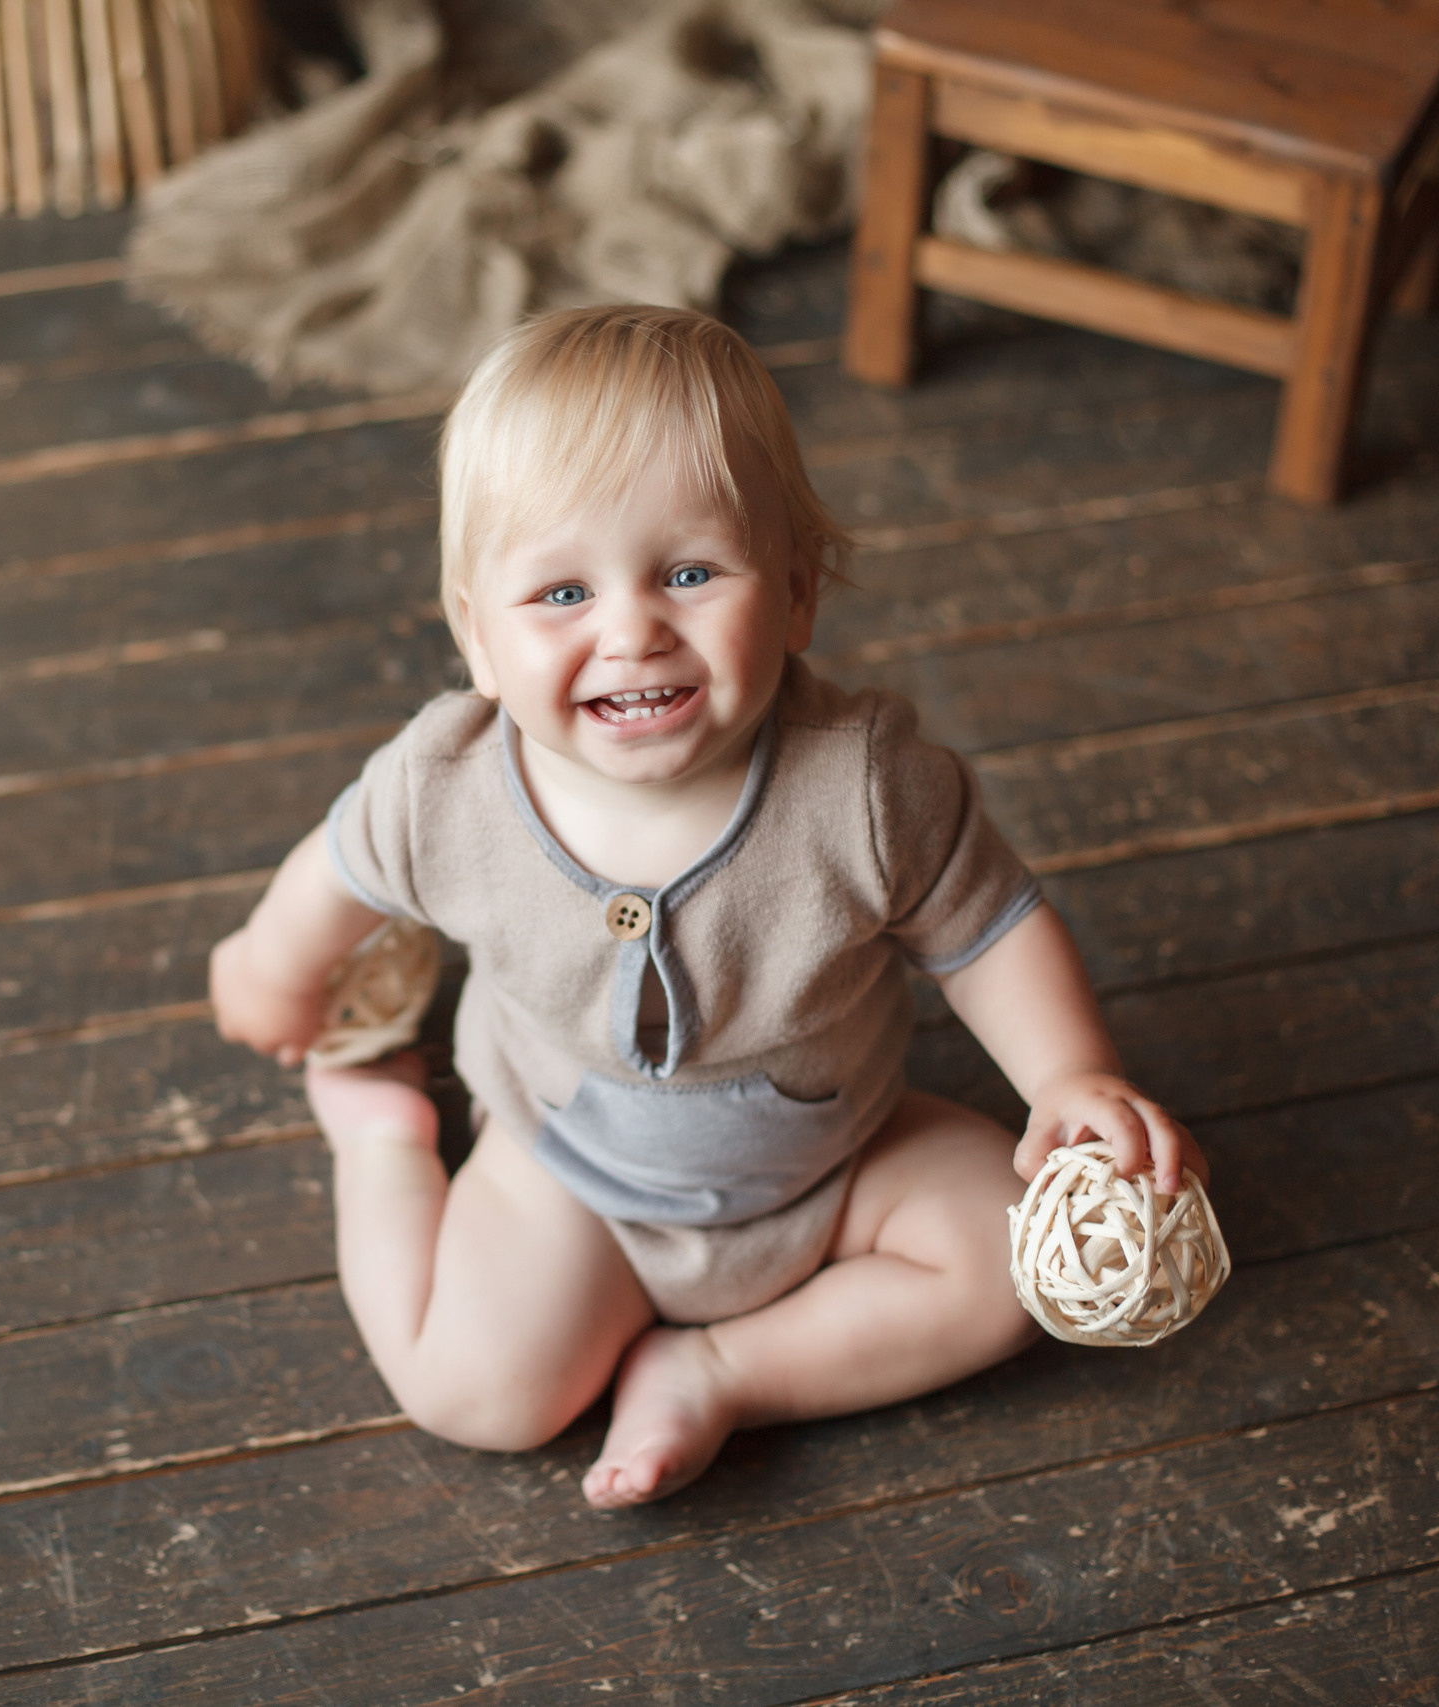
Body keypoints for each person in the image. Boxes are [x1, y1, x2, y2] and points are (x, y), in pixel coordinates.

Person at [209, 305, 1206, 1509]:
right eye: (562, 591)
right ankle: (380, 1146)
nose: (631, 630)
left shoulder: (861, 786)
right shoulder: (446, 787)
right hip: (566, 1176)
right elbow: (342, 868)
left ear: (795, 595)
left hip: (839, 1166)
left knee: (1010, 1270)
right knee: (470, 1393)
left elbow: (989, 931)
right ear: (476, 634)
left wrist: (1067, 1076)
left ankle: (725, 1371)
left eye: (688, 573)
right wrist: (271, 965)